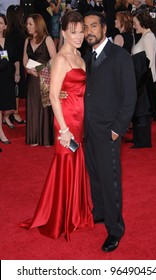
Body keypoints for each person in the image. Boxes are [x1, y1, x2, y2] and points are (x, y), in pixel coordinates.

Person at [19, 11, 94, 241]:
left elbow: (72, 87)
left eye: (81, 31)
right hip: (66, 120)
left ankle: (76, 211)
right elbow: (52, 95)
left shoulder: (81, 55)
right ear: (63, 33)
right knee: (65, 162)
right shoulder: (61, 58)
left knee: (77, 161)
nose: (79, 36)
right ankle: (62, 216)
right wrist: (63, 129)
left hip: (80, 118)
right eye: (73, 32)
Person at [83, 10, 137, 252]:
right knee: (95, 176)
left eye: (93, 26)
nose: (89, 32)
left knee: (110, 179)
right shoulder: (87, 56)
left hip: (108, 131)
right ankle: (101, 212)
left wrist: (117, 129)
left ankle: (116, 229)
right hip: (89, 129)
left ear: (104, 29)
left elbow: (130, 97)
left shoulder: (120, 56)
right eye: (85, 28)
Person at [23, 13, 56, 146]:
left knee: (45, 107)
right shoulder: (27, 40)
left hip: (45, 77)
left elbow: (54, 58)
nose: (28, 26)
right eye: (27, 24)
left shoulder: (47, 39)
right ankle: (34, 137)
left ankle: (46, 138)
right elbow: (25, 58)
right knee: (32, 105)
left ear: (38, 24)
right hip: (32, 78)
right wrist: (28, 69)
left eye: (30, 24)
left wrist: (40, 69)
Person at [132, 10, 156, 148]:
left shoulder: (148, 37)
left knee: (143, 112)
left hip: (144, 82)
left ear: (141, 22)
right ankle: (139, 139)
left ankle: (143, 140)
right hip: (142, 81)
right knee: (140, 111)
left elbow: (149, 63)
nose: (134, 26)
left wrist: (141, 86)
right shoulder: (144, 36)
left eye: (135, 23)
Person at [0, 13, 20, 143]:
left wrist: (17, 72)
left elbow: (16, 59)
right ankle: (1, 134)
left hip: (8, 76)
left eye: (1, 23)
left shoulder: (10, 41)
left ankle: (6, 117)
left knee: (11, 106)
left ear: (5, 26)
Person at [6, 5, 26, 124]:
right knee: (16, 89)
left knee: (13, 89)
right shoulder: (20, 33)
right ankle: (15, 113)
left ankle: (12, 113)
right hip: (17, 64)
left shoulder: (7, 32)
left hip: (9, 64)